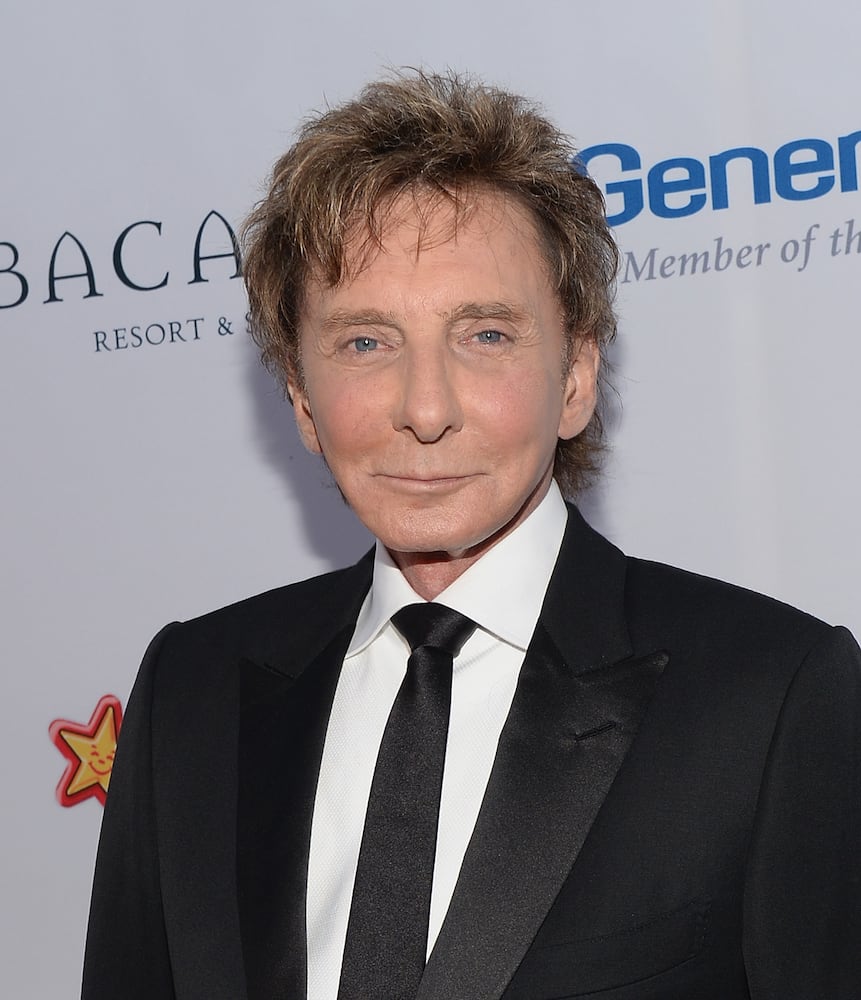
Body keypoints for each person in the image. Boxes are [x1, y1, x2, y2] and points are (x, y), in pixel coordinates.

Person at [82, 71, 861, 1000]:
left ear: (575, 378)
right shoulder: (191, 690)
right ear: (300, 398)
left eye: (484, 335)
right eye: (365, 342)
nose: (424, 408)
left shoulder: (771, 694)